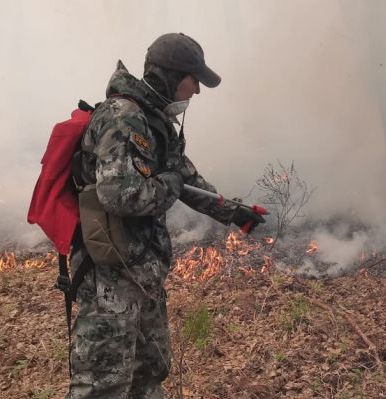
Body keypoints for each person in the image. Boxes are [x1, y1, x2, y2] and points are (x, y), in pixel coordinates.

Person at [66, 33, 265, 399]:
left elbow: (184, 177)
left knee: (149, 373)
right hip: (111, 276)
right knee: (102, 385)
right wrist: (170, 182)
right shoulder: (123, 118)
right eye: (194, 81)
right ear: (170, 76)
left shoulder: (152, 119)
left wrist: (234, 212)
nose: (197, 91)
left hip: (141, 270)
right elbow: (121, 197)